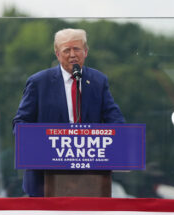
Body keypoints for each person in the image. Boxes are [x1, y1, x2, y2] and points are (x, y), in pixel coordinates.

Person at [13, 28, 125, 197]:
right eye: (67, 50)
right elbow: (20, 123)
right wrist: (40, 142)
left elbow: (115, 120)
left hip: (90, 179)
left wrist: (119, 137)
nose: (72, 54)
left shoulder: (98, 81)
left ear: (85, 52)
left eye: (77, 49)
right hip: (44, 181)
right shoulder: (38, 82)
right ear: (58, 54)